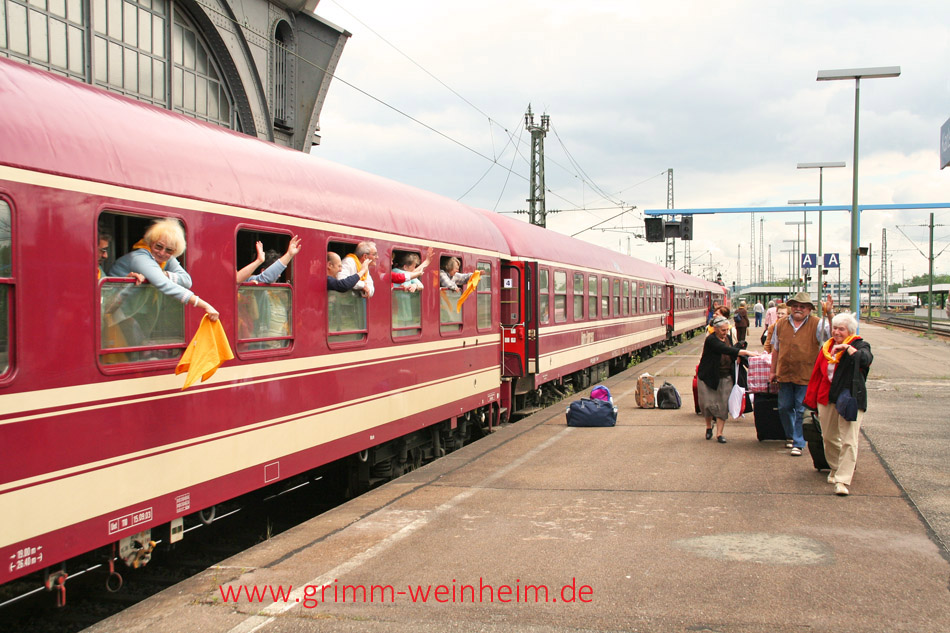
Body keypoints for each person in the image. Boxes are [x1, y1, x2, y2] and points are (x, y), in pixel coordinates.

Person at [804, 312, 872, 496]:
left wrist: (847, 348)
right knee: (828, 437)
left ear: (850, 331)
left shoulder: (859, 345)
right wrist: (812, 400)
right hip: (826, 397)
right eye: (834, 328)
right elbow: (818, 375)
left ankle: (842, 480)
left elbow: (865, 359)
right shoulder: (827, 347)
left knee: (849, 439)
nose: (836, 332)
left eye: (841, 329)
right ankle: (835, 467)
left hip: (850, 398)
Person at [108, 218, 218, 321]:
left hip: (132, 310)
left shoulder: (166, 258)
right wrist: (205, 305)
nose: (162, 253)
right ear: (151, 242)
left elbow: (187, 281)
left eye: (169, 250)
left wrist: (165, 274)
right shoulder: (140, 257)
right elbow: (165, 285)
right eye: (158, 246)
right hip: (112, 310)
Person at [769, 292, 832, 456]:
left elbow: (832, 334)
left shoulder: (817, 323)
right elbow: (776, 349)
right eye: (795, 306)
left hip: (806, 375)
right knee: (784, 407)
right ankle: (790, 435)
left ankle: (798, 442)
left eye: (802, 306)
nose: (798, 309)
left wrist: (830, 314)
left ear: (809, 309)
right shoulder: (781, 324)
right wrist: (772, 371)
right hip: (785, 374)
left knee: (800, 409)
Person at [697, 315, 759, 443]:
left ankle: (719, 434)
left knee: (723, 405)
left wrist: (737, 357)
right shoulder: (711, 340)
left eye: (727, 330)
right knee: (707, 404)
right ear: (715, 329)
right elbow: (725, 349)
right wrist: (746, 352)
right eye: (723, 330)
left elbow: (731, 351)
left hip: (726, 375)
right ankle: (708, 426)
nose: (725, 333)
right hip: (708, 376)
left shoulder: (728, 338)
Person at [236, 235, 302, 283]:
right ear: (263, 271)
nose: (279, 275)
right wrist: (289, 255)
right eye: (275, 271)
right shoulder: (252, 280)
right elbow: (267, 277)